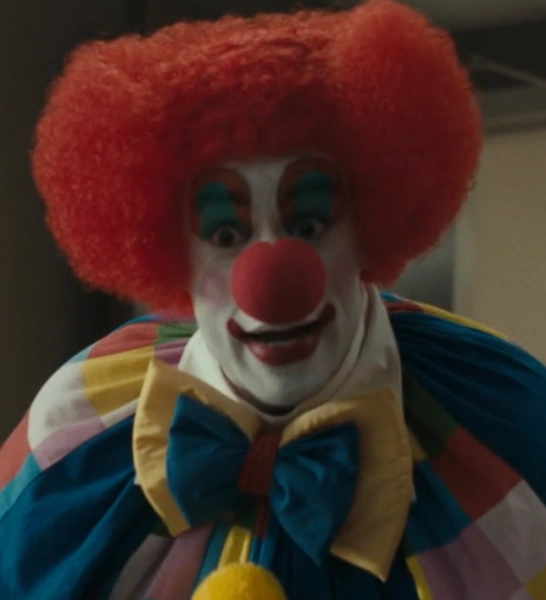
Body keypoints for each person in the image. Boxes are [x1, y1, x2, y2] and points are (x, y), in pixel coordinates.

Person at [1, 2, 546, 599]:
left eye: (310, 224)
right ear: (171, 249)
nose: (271, 284)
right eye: (224, 234)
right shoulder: (74, 423)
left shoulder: (509, 415)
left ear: (369, 225)